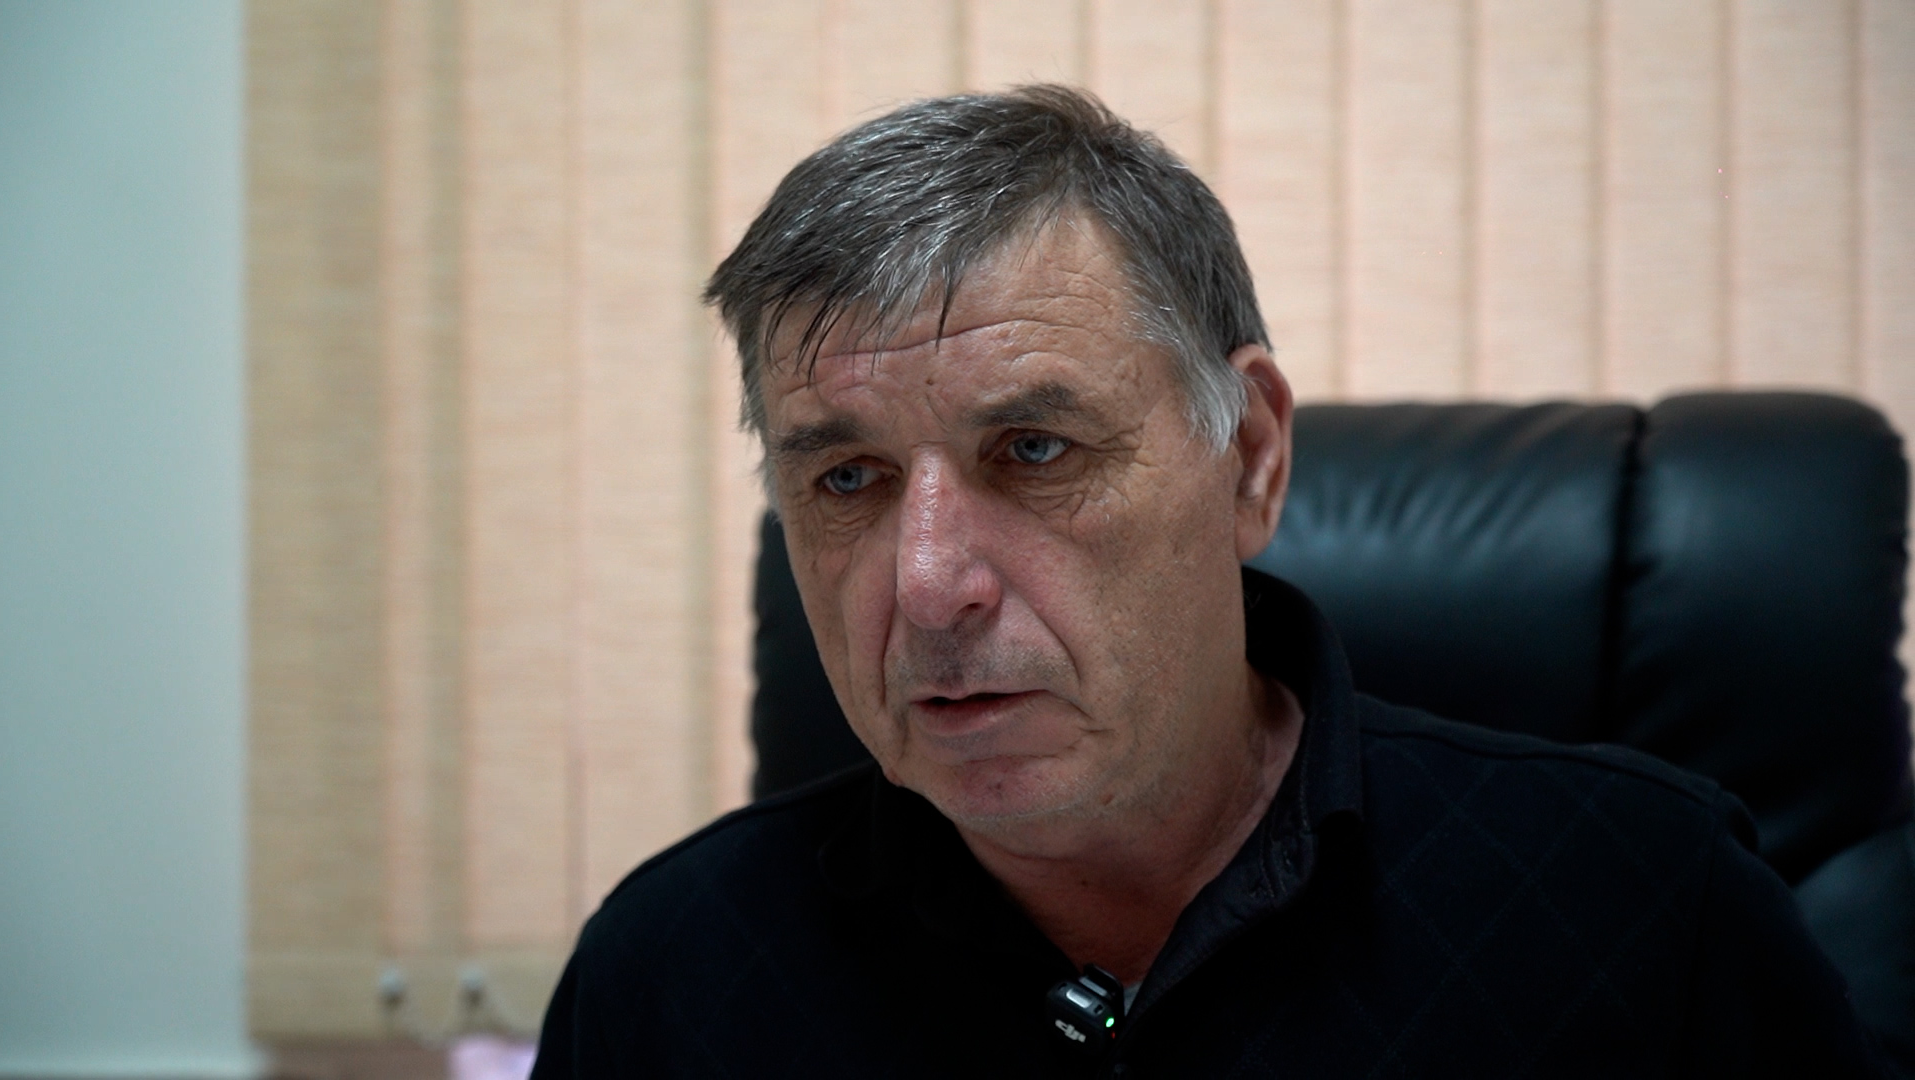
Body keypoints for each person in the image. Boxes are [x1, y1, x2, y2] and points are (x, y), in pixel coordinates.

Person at [530, 86, 1886, 1078]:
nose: (930, 585)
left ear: (1248, 458)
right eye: (848, 479)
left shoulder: (1640, 906)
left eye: (1035, 449)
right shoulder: (674, 974)